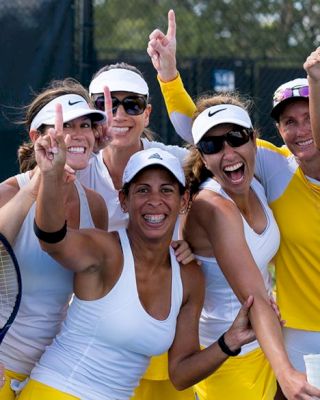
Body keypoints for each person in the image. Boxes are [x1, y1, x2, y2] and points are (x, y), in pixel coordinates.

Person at [147, 10, 320, 399]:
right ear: (273, 132)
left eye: (309, 116)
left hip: (264, 343)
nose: (301, 129)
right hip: (260, 346)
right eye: (289, 121)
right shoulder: (270, 171)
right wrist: (169, 77)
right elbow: (205, 127)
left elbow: (215, 131)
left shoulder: (259, 173)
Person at [18, 129, 256, 399]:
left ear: (184, 200)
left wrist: (230, 341)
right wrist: (50, 175)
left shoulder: (189, 275)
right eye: (143, 190)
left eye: (166, 190)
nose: (155, 201)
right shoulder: (105, 250)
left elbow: (180, 373)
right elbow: (52, 239)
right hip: (56, 391)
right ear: (124, 200)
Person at [77, 62, 195, 399]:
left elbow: (210, 142)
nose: (118, 114)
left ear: (147, 113)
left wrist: (196, 241)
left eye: (132, 104)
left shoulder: (175, 161)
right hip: (96, 335)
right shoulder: (75, 166)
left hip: (160, 333)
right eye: (104, 104)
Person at [0, 78, 108, 399]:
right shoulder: (7, 193)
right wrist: (39, 182)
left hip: (55, 373)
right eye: (65, 125)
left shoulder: (95, 206)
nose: (77, 134)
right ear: (37, 137)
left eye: (86, 125)